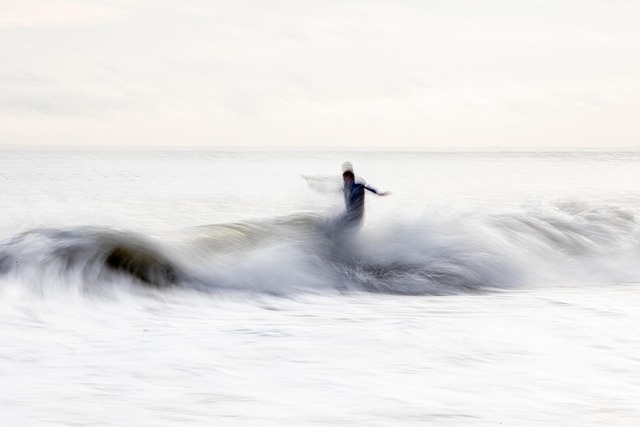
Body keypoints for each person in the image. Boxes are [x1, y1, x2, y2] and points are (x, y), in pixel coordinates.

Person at [338, 162, 389, 230]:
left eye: (346, 178)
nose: (345, 180)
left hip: (357, 215)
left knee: (341, 226)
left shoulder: (358, 186)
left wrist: (379, 193)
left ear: (351, 178)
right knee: (336, 223)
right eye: (344, 178)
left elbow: (368, 187)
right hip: (349, 213)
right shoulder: (345, 189)